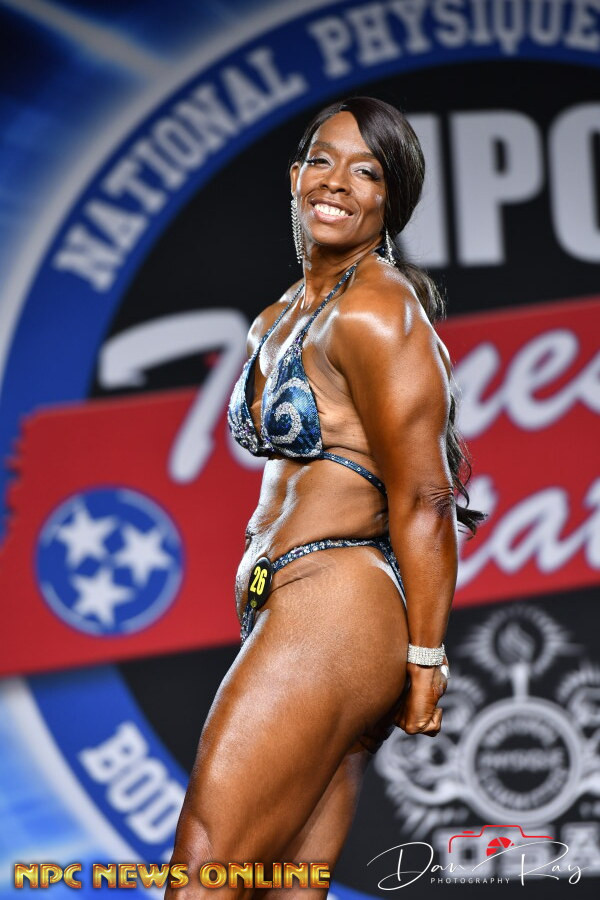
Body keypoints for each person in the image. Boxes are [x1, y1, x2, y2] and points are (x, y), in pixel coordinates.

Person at [165, 96, 484, 898]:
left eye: (365, 171)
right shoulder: (279, 316)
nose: (336, 182)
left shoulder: (379, 309)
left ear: (390, 200)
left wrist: (426, 660)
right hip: (298, 609)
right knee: (284, 887)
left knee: (203, 875)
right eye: (321, 160)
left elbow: (425, 498)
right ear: (294, 176)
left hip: (336, 609)